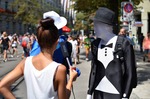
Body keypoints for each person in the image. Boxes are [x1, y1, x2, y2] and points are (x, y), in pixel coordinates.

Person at [0, 16, 78, 99]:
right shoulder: (59, 69)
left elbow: (2, 86)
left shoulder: (26, 62)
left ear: (37, 40)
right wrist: (70, 80)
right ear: (57, 42)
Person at [87, 7, 137, 99]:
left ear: (106, 26)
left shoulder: (123, 44)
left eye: (96, 25)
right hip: (98, 92)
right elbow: (94, 69)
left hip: (117, 93)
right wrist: (89, 92)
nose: (94, 28)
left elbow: (130, 72)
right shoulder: (95, 44)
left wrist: (126, 95)